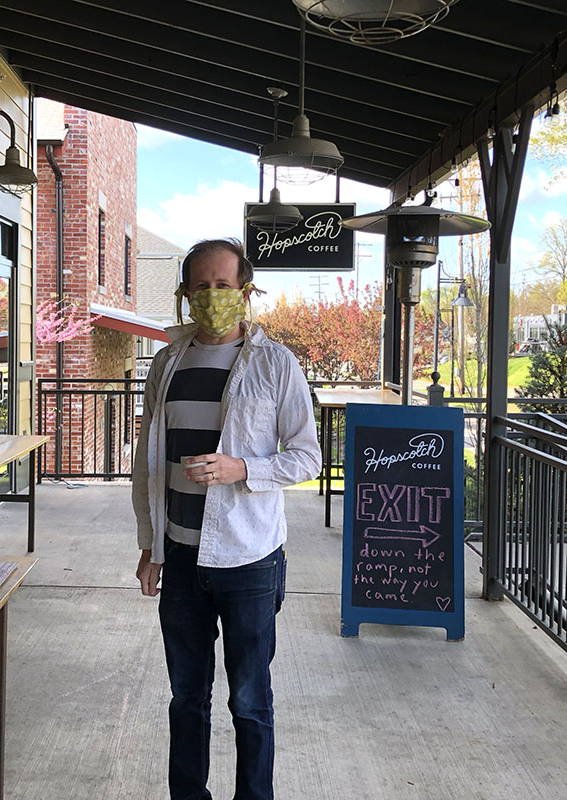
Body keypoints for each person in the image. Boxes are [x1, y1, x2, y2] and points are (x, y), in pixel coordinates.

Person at [132, 238, 320, 800]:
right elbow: (150, 462)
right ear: (185, 292)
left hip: (249, 559)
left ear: (246, 290)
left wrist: (244, 467)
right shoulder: (167, 362)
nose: (213, 296)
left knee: (250, 698)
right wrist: (151, 545)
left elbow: (307, 454)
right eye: (202, 286)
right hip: (182, 558)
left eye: (224, 285)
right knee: (187, 696)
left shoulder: (275, 364)